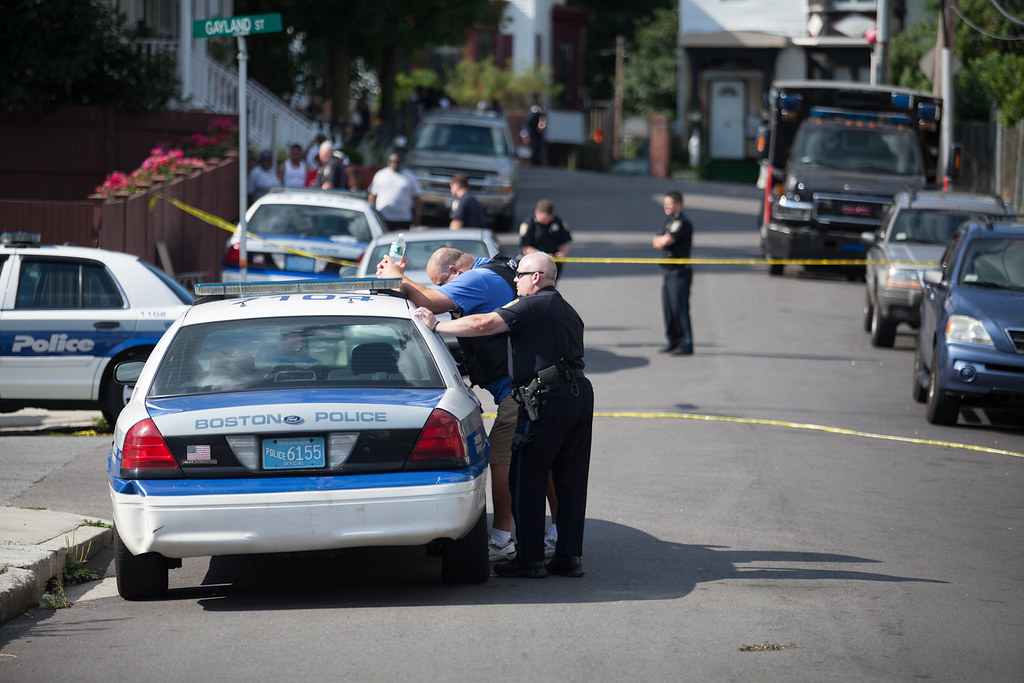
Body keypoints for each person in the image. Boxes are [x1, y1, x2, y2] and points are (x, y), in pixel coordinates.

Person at [413, 252, 592, 579]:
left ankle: (529, 560)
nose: (515, 281)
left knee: (525, 475)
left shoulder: (529, 305)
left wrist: (437, 324)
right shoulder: (567, 309)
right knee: (569, 478)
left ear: (536, 277)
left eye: (520, 276)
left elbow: (483, 323)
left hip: (544, 397)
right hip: (577, 395)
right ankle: (568, 557)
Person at [377, 247, 537, 561]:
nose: (444, 290)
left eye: (443, 283)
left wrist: (399, 279)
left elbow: (430, 302)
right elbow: (431, 294)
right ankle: (554, 533)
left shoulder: (479, 278)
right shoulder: (493, 271)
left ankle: (503, 537)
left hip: (516, 390)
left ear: (455, 272)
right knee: (540, 461)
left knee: (502, 460)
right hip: (527, 385)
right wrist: (404, 280)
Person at [652, 190, 694, 355]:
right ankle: (674, 340)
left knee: (680, 309)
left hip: (679, 273)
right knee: (668, 308)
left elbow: (665, 241)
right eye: (665, 204)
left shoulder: (681, 223)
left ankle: (686, 343)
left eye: (669, 204)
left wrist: (662, 240)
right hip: (668, 272)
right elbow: (655, 241)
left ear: (679, 204)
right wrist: (661, 240)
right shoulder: (669, 222)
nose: (666, 206)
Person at [368, 152, 422, 231]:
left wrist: (417, 216)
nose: (395, 164)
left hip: (403, 219)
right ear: (388, 162)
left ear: (402, 162)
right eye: (392, 161)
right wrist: (372, 213)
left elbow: (416, 198)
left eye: (397, 162)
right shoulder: (381, 175)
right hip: (384, 218)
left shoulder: (409, 176)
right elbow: (372, 195)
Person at [520, 199, 572, 279]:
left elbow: (565, 241)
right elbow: (525, 248)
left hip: (553, 263)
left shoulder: (558, 222)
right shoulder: (528, 225)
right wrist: (543, 256)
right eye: (544, 218)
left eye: (549, 218)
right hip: (535, 264)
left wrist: (563, 253)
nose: (547, 221)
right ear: (537, 212)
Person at [520, 93, 545, 166]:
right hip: (531, 134)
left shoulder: (540, 109)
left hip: (537, 135)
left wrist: (541, 127)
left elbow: (542, 120)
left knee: (536, 154)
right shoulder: (531, 109)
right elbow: (526, 123)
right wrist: (524, 133)